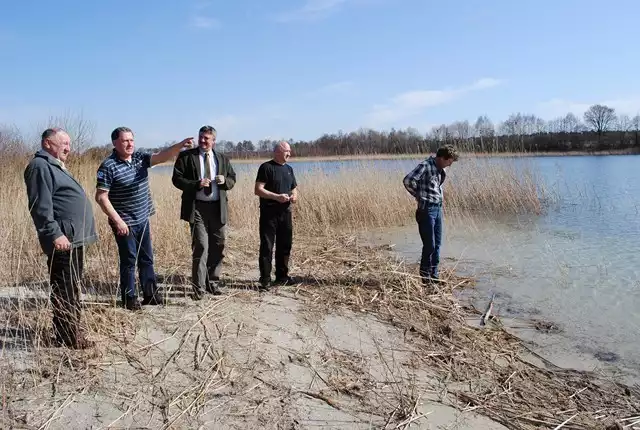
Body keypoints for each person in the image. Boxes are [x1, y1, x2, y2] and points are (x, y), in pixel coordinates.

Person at [95, 127, 193, 310]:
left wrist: (179, 146)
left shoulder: (139, 158)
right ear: (115, 143)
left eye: (132, 140)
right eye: (125, 141)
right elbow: (101, 197)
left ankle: (150, 295)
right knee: (129, 261)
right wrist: (118, 221)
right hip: (124, 223)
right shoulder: (108, 166)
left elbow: (162, 156)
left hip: (142, 218)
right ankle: (129, 299)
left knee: (147, 258)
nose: (130, 144)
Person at [24, 128, 98, 349]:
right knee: (64, 287)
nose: (68, 147)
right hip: (63, 240)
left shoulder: (53, 164)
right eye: (64, 143)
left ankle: (70, 330)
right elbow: (40, 206)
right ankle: (68, 338)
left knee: (71, 286)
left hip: (73, 238)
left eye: (69, 143)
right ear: (48, 143)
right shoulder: (40, 166)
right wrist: (54, 233)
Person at [171, 125, 236, 300]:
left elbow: (232, 179)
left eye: (206, 138)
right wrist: (196, 184)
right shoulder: (187, 156)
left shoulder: (222, 159)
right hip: (197, 207)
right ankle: (198, 288)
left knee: (218, 245)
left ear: (213, 141)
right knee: (201, 246)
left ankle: (212, 282)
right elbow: (176, 179)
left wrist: (224, 181)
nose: (202, 141)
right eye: (201, 138)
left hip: (217, 208)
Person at [403, 144, 459, 285]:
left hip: (438, 209)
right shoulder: (426, 165)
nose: (450, 165)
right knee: (430, 245)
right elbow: (408, 180)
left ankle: (434, 275)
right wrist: (418, 195)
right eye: (449, 161)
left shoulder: (440, 169)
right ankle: (425, 278)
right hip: (426, 210)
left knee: (438, 244)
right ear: (441, 157)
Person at [254, 141, 298, 291]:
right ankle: (265, 279)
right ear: (278, 151)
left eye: (290, 152)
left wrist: (294, 196)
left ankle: (282, 276)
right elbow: (258, 190)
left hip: (285, 213)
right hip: (269, 214)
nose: (289, 154)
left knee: (285, 245)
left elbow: (294, 188)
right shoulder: (266, 167)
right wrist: (276, 197)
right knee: (267, 246)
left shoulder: (289, 169)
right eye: (287, 151)